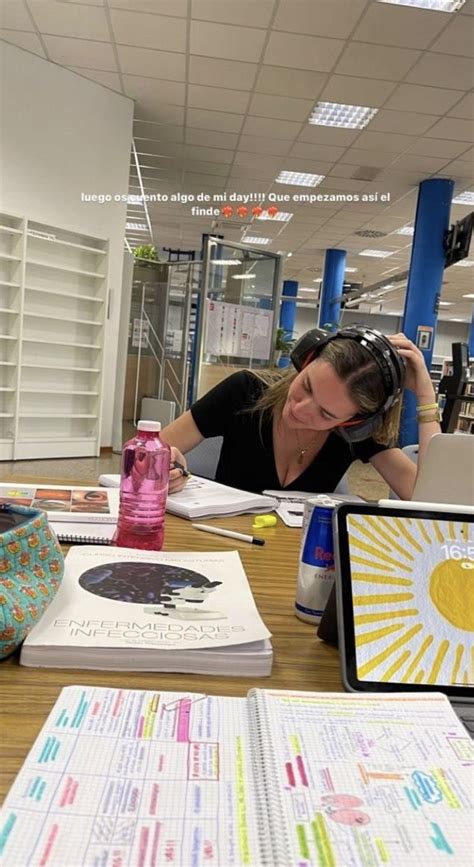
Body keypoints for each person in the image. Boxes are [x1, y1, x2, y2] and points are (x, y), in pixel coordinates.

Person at [164, 328, 441, 500]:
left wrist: (426, 395)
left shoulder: (357, 433)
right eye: (306, 385)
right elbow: (143, 454)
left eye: (326, 413)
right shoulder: (245, 390)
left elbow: (431, 500)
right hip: (224, 550)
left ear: (354, 422)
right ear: (306, 359)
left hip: (301, 566)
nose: (300, 409)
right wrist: (165, 464)